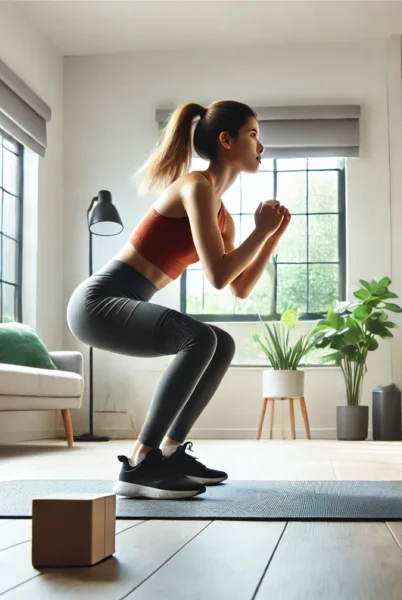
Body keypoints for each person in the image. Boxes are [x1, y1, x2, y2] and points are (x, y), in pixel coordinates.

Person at [67, 101, 291, 499]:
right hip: (98, 302)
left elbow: (239, 287)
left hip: (129, 299)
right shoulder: (195, 186)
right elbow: (219, 276)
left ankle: (169, 452)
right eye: (254, 134)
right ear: (226, 140)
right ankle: (139, 462)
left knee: (222, 342)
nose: (261, 145)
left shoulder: (224, 216)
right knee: (200, 337)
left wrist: (269, 238)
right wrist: (259, 234)